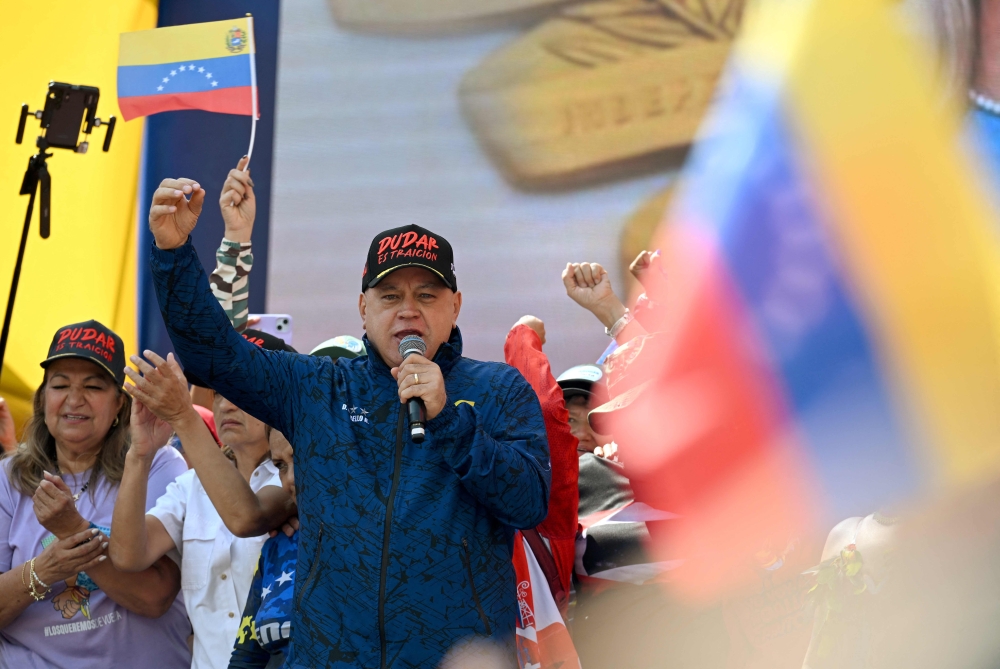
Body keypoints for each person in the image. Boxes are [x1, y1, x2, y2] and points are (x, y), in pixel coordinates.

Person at [147, 172, 551, 668]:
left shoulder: (498, 389)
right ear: (363, 309)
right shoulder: (318, 387)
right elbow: (214, 358)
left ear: (455, 307)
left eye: (426, 296)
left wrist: (449, 421)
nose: (408, 311)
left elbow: (530, 502)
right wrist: (173, 253)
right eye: (389, 297)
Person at [0, 320, 190, 668]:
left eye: (93, 386)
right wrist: (44, 569)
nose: (75, 400)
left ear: (120, 402)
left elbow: (155, 597)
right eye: (59, 385)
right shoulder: (7, 480)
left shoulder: (159, 464)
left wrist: (74, 530)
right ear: (42, 399)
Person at [109, 330, 295, 669]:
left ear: (283, 396)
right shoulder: (190, 486)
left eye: (243, 389)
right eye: (219, 392)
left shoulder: (294, 476)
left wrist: (182, 416)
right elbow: (126, 556)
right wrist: (140, 453)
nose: (226, 403)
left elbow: (247, 517)